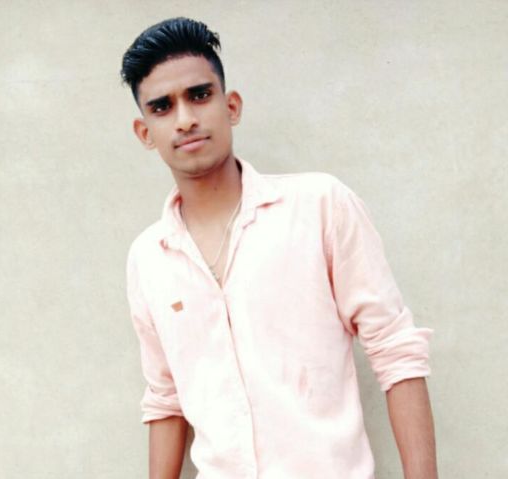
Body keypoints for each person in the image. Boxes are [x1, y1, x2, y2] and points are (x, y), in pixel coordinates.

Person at [120, 17, 437, 479]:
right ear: (145, 132)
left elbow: (395, 350)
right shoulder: (149, 258)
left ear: (231, 106)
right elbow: (166, 401)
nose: (185, 119)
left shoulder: (320, 206)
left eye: (200, 95)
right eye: (163, 107)